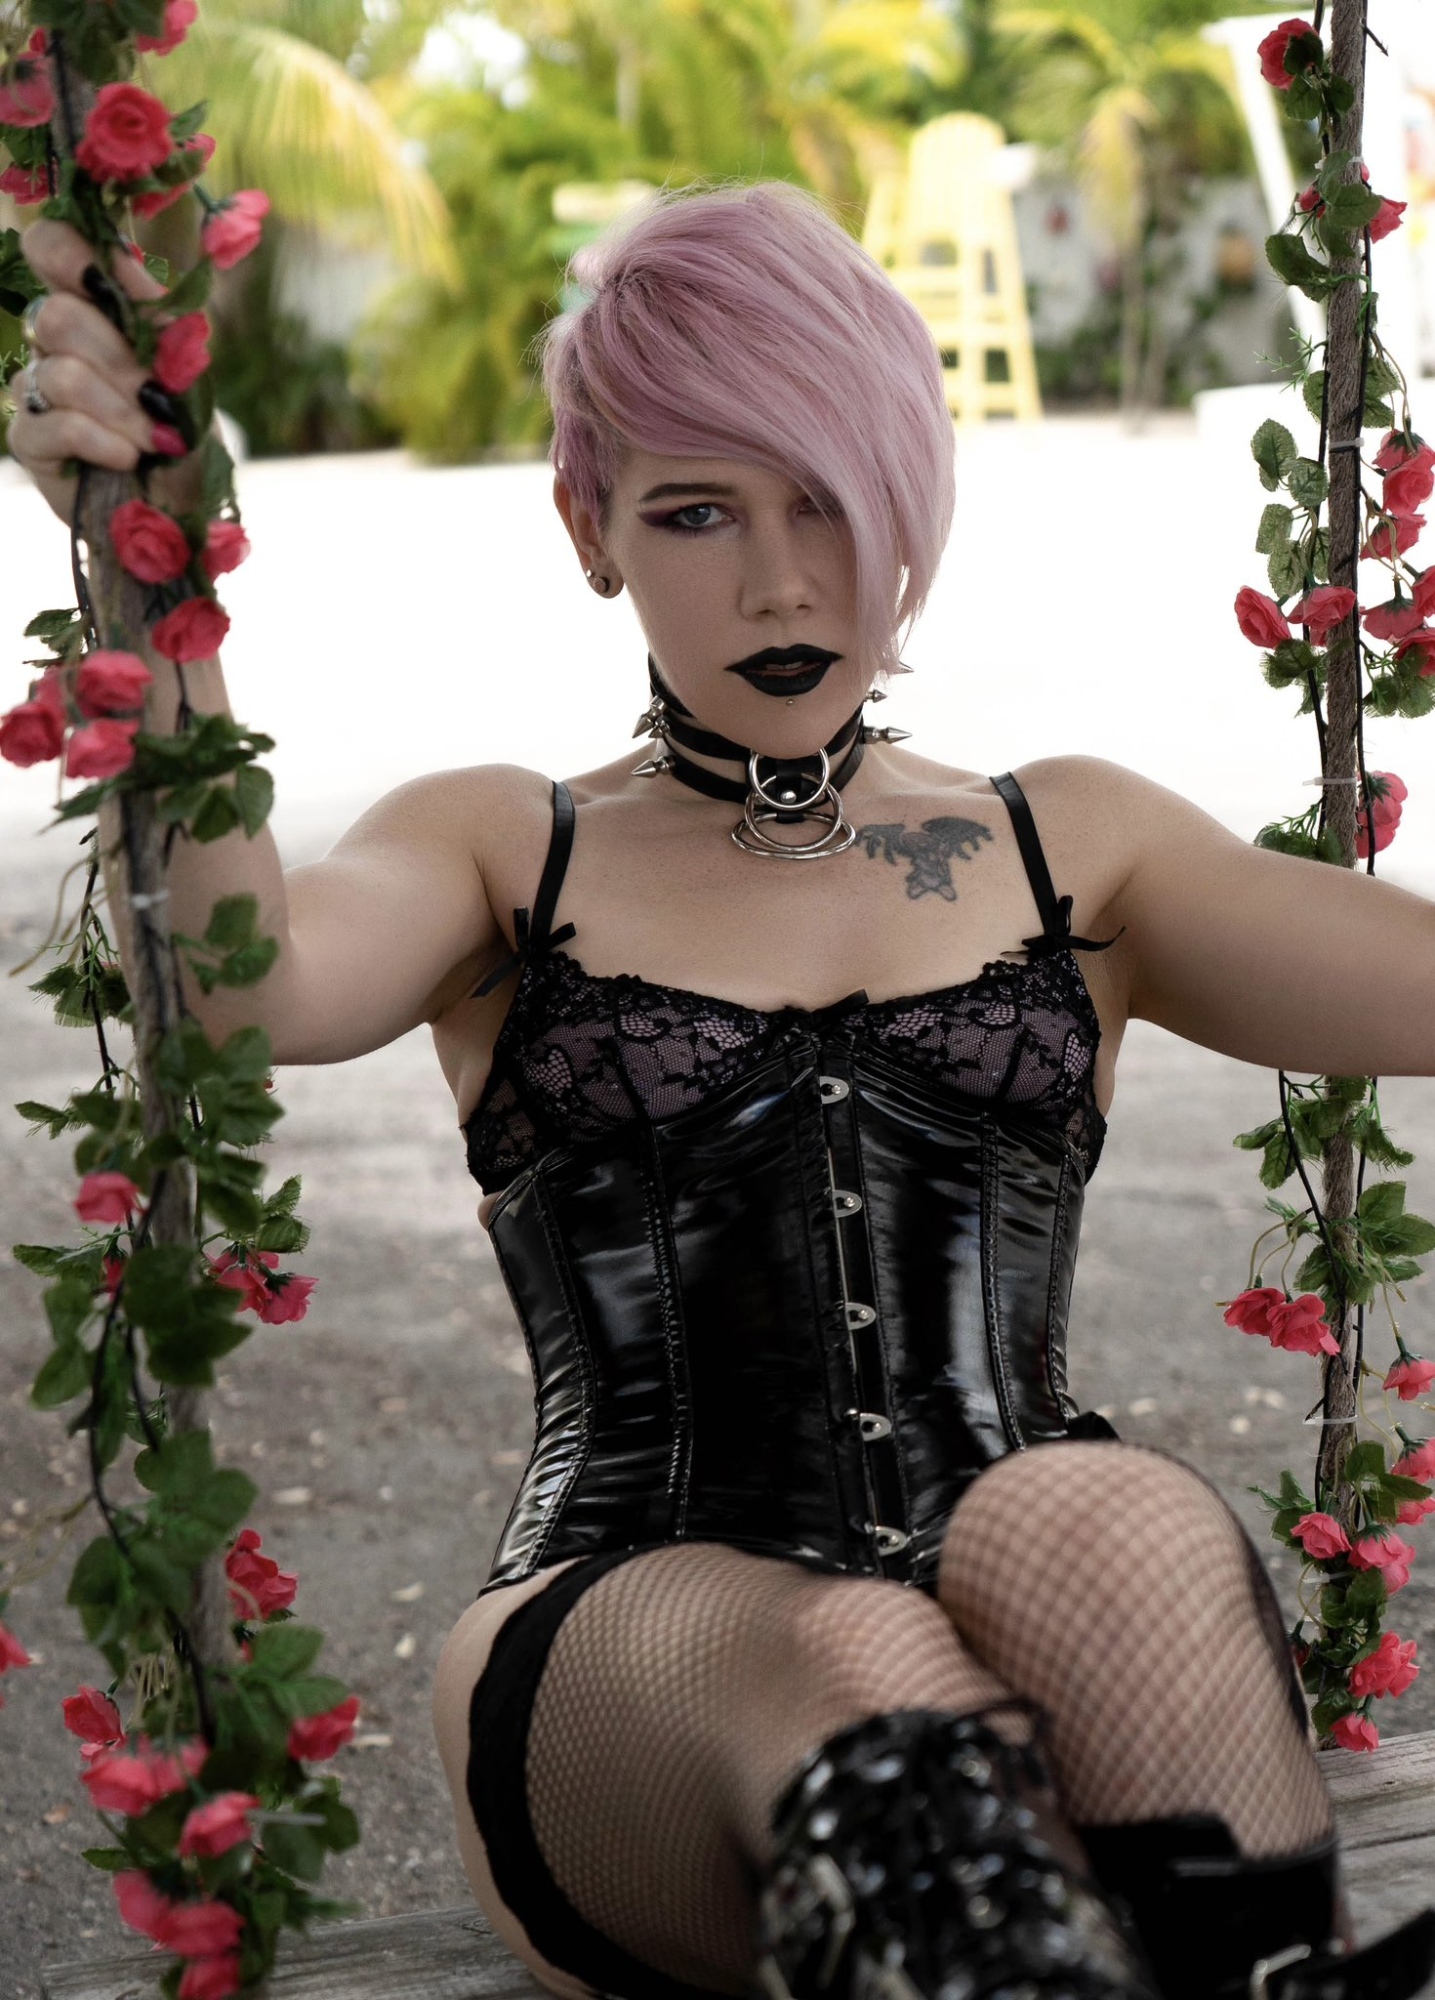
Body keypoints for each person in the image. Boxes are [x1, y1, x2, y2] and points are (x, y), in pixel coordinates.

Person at [10, 181, 1435, 2000]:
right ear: (586, 524)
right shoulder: (502, 848)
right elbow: (242, 991)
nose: (782, 582)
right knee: (852, 1650)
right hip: (641, 1657)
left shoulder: (1071, 844)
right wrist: (161, 590)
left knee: (1114, 1510)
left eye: (831, 499)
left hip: (1050, 1628)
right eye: (698, 509)